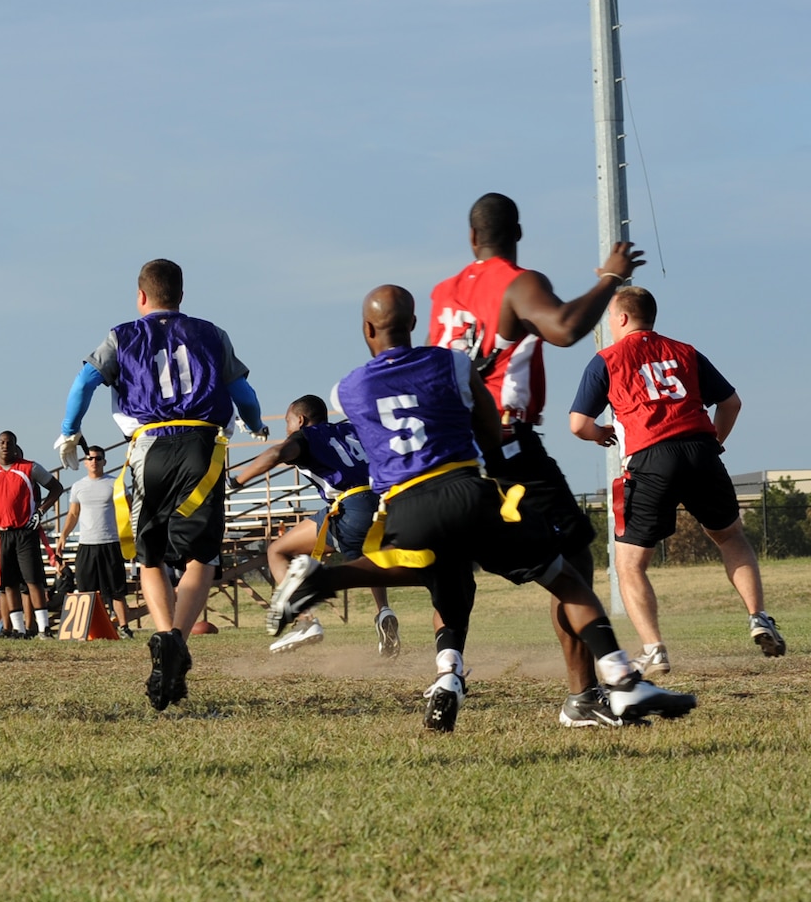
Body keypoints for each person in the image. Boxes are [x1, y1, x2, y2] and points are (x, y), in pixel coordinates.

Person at [267, 285, 694, 731]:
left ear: (367, 328)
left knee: (439, 575)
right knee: (566, 576)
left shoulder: (346, 390)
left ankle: (332, 580)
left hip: (402, 508)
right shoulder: (450, 362)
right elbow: (489, 432)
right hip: (463, 493)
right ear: (414, 323)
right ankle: (621, 678)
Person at [429, 193, 648, 702]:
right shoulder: (518, 282)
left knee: (454, 561)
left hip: (451, 445)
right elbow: (566, 328)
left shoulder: (443, 294)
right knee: (572, 558)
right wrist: (611, 278)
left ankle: (448, 670)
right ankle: (584, 693)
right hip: (507, 441)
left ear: (471, 237)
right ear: (518, 233)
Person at [55, 258, 267, 709]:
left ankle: (164, 635)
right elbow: (241, 391)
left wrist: (70, 429)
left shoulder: (122, 335)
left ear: (141, 297)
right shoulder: (212, 333)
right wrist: (254, 423)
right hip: (202, 448)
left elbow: (84, 381)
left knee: (148, 555)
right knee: (201, 555)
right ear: (181, 296)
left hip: (147, 447)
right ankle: (178, 642)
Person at [568, 285, 784, 671]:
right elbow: (731, 402)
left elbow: (578, 424)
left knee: (630, 564)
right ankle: (758, 617)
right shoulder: (685, 351)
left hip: (651, 458)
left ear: (620, 318)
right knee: (730, 536)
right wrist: (713, 441)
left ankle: (654, 649)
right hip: (701, 449)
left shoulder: (607, 359)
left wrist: (602, 434)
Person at [231, 395, 399, 656]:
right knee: (371, 556)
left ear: (300, 419)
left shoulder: (305, 437)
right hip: (385, 504)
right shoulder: (350, 428)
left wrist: (236, 482)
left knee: (277, 551)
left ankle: (305, 621)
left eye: (287, 422)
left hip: (351, 505)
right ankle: (383, 611)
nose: (286, 429)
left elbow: (276, 453)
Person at [0, 431, 63, 637]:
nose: (5, 446)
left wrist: (40, 512)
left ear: (15, 446)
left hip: (25, 532)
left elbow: (56, 487)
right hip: (0, 534)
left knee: (33, 580)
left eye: (9, 443)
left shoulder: (30, 467)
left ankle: (43, 628)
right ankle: (18, 629)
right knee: (8, 583)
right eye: (1, 442)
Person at [55, 444, 133, 633]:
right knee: (86, 590)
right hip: (87, 545)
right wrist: (63, 535)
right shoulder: (78, 486)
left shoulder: (116, 484)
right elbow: (73, 514)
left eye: (98, 458)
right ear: (84, 462)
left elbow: (130, 510)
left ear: (104, 461)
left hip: (111, 543)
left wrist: (134, 536)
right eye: (90, 458)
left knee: (117, 590)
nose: (94, 462)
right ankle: (86, 629)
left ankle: (123, 627)